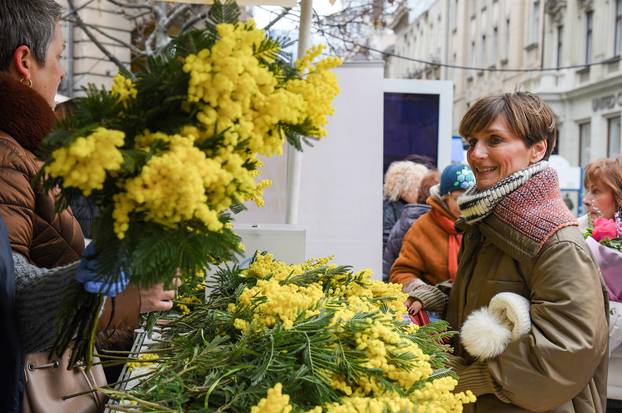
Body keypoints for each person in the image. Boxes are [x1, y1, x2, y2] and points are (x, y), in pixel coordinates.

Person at [0, 0, 176, 397]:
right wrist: (122, 293)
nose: (63, 71)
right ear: (25, 62)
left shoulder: (21, 148)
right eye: (59, 56)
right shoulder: (5, 155)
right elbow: (9, 301)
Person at [447, 92, 608, 412]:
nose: (476, 154)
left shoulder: (555, 241)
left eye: (494, 140)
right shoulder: (488, 221)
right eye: (470, 142)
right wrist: (438, 297)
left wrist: (470, 379)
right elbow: (494, 291)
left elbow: (566, 352)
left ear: (538, 149)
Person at [390, 164, 475, 317]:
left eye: (469, 197)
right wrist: (422, 291)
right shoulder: (422, 228)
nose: (464, 204)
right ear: (444, 197)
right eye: (458, 198)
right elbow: (401, 272)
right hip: (435, 318)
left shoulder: (480, 226)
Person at [383, 169, 440, 281]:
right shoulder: (425, 224)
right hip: (416, 293)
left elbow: (387, 262)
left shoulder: (405, 219)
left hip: (401, 290)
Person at [382, 161, 428, 252]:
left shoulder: (417, 207)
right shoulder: (389, 209)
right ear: (404, 187)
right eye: (418, 188)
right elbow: (387, 242)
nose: (422, 192)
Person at [581, 155, 622, 228]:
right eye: (587, 191)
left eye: (596, 191)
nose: (585, 200)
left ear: (619, 196)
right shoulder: (578, 229)